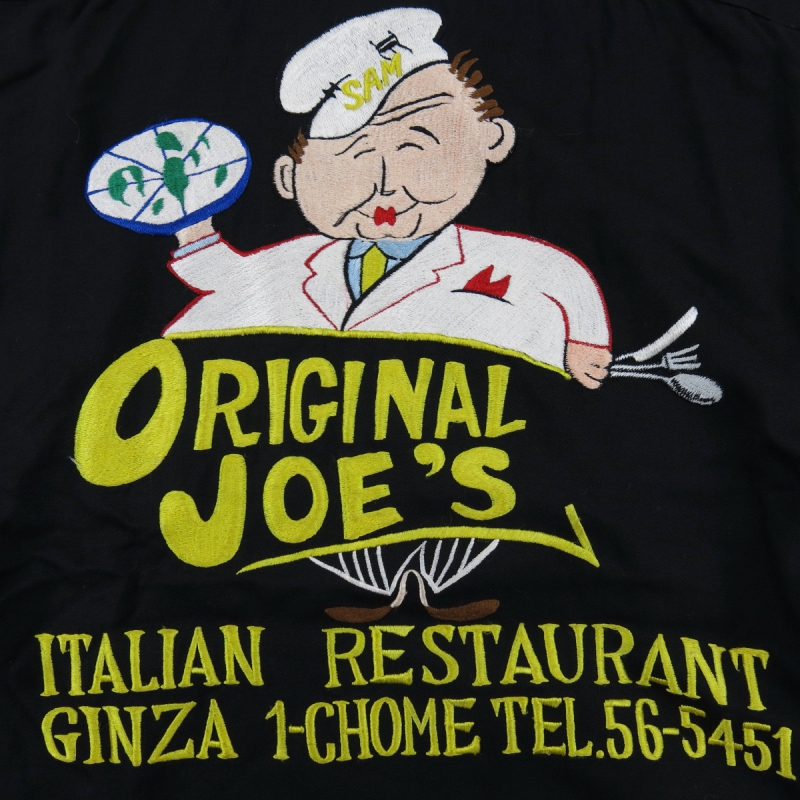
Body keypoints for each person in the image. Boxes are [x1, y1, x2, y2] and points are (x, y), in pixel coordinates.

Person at [165, 8, 612, 620]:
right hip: (330, 452)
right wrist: (193, 230)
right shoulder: (297, 262)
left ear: (490, 139)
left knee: (460, 505)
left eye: (414, 148)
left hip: (466, 452)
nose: (383, 185)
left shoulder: (508, 259)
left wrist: (585, 342)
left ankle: (441, 593)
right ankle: (368, 596)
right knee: (334, 512)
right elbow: (227, 280)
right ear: (290, 177)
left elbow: (562, 278)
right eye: (350, 159)